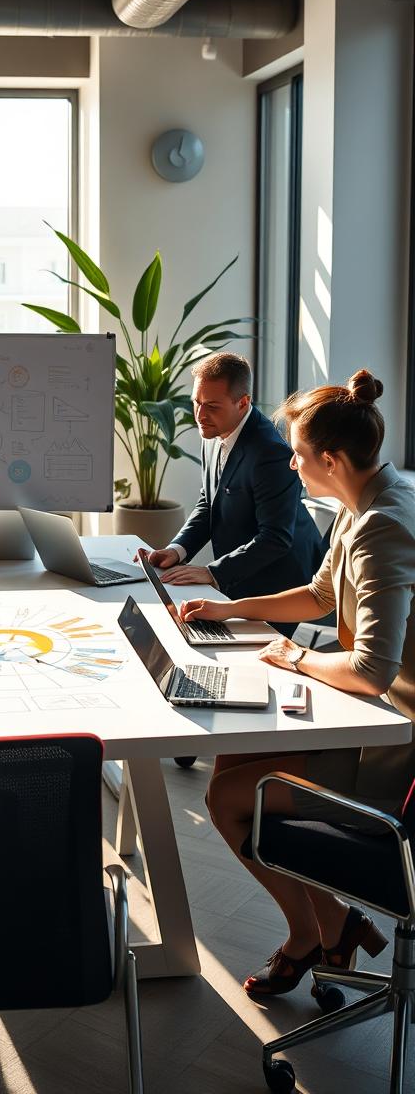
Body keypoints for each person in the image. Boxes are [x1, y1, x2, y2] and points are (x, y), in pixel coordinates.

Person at [180, 370, 415, 998]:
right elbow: (317, 595)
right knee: (233, 756)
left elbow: (372, 671)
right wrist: (231, 608)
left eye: (299, 454)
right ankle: (334, 928)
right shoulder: (366, 500)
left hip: (396, 749)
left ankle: (309, 936)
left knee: (230, 798)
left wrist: (294, 660)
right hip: (373, 719)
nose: (291, 463)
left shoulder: (381, 529)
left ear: (330, 459)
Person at [140, 353, 324, 603]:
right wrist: (177, 550)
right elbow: (209, 502)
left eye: (212, 406)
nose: (200, 415)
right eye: (196, 402)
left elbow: (275, 538)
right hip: (240, 574)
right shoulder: (214, 430)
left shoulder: (271, 453)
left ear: (243, 402)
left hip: (280, 582)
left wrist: (211, 572)